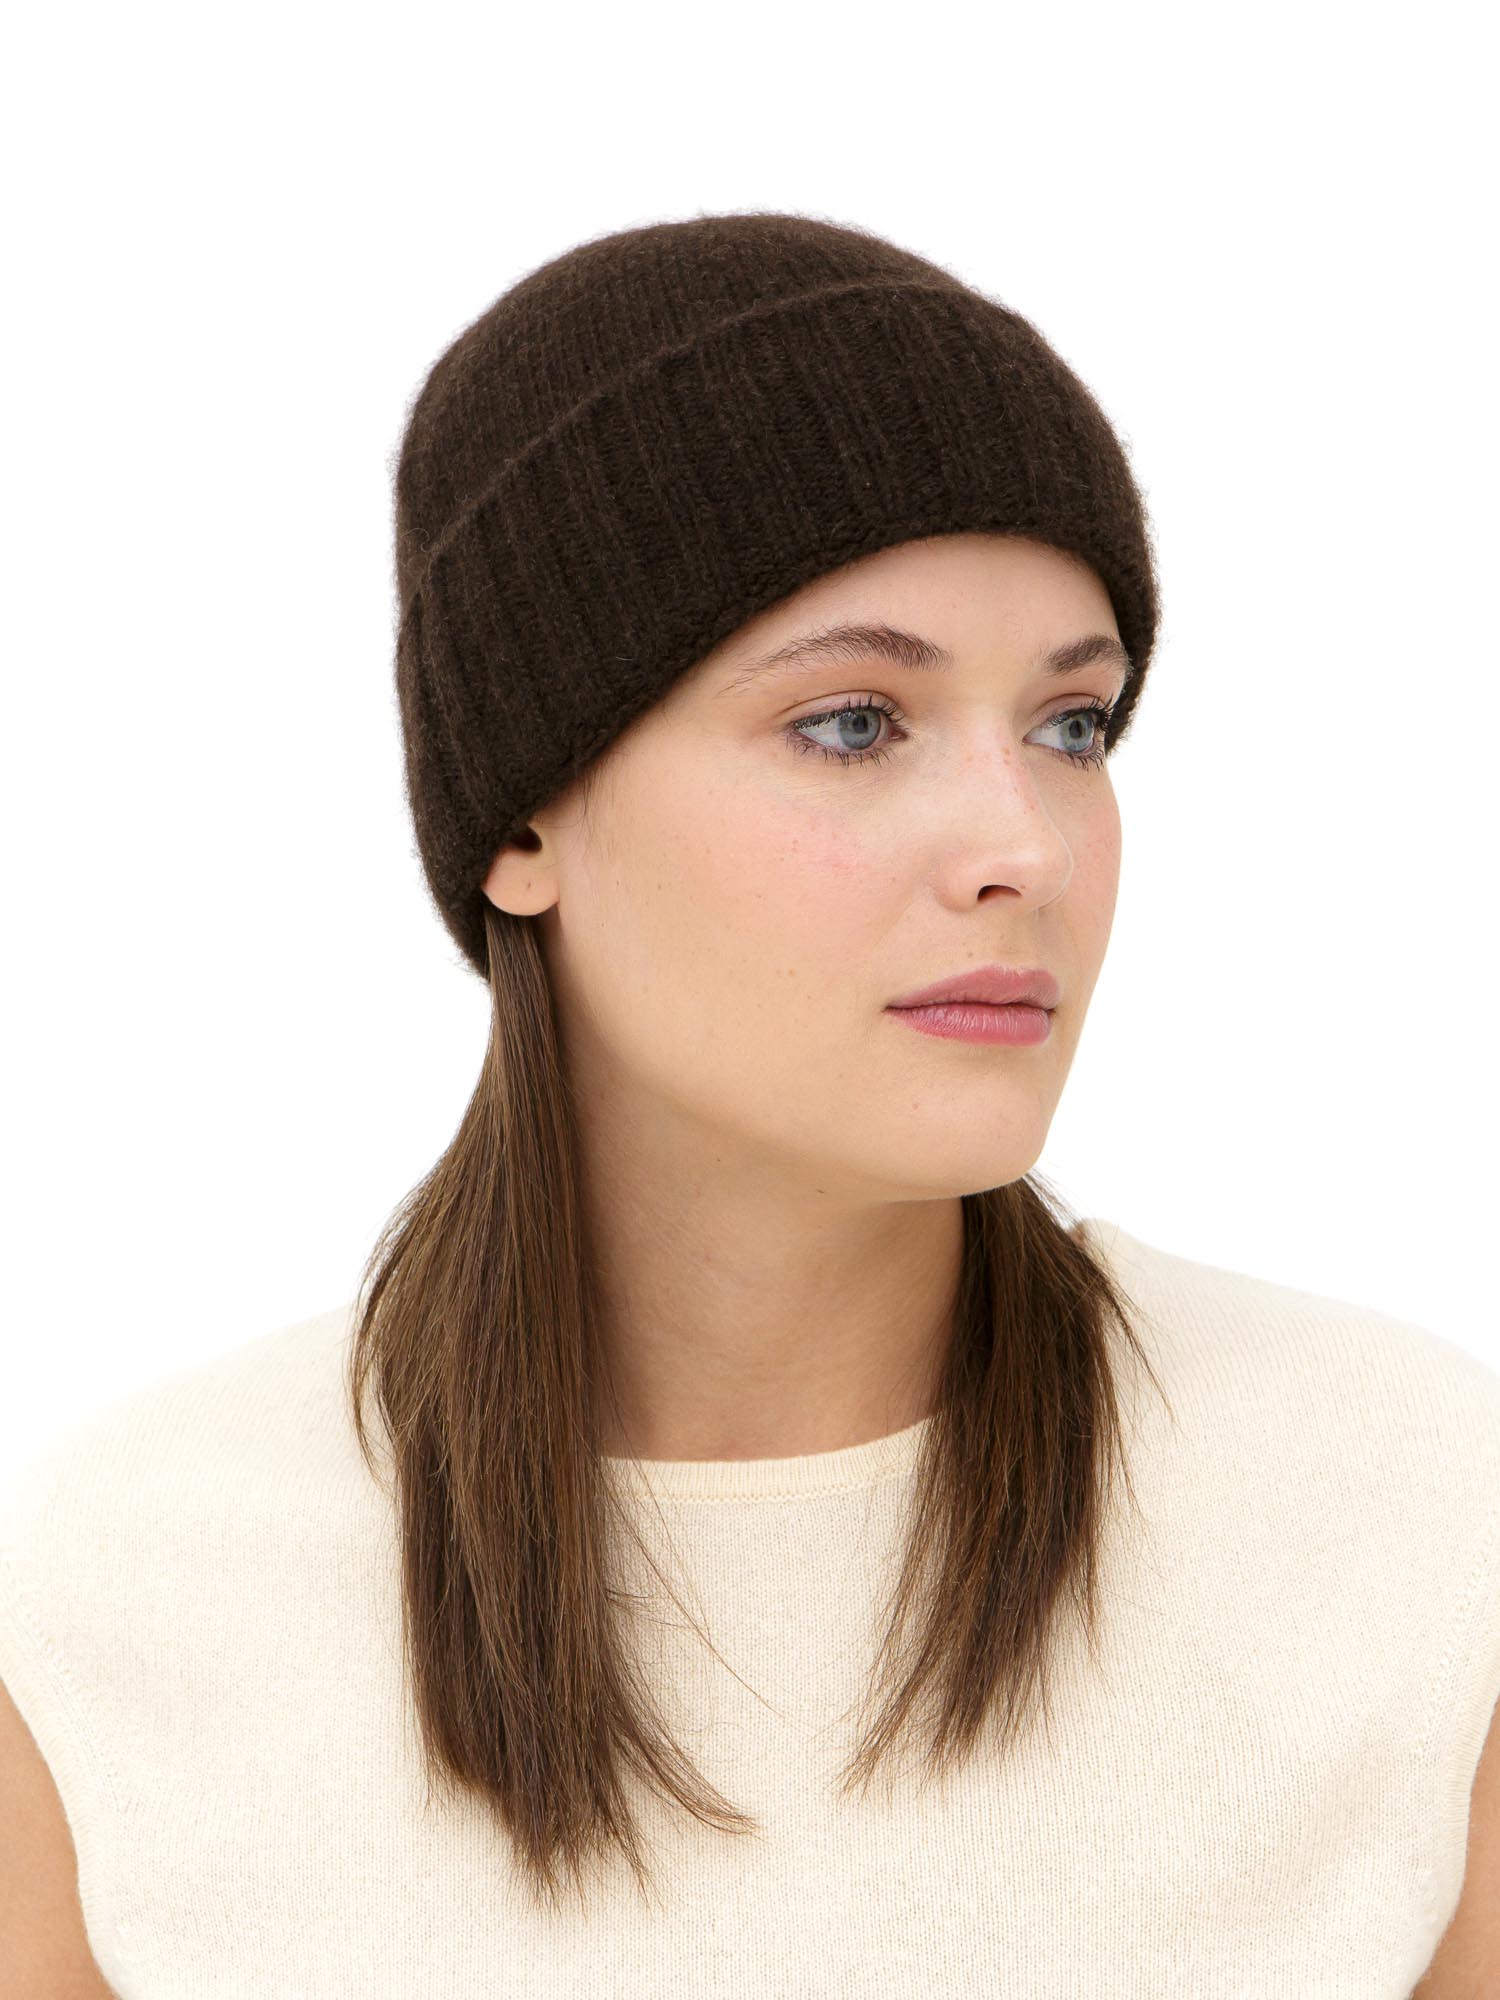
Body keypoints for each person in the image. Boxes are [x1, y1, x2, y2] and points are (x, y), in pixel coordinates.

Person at [2, 209, 1497, 1997]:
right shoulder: (127, 1596)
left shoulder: (1402, 1517)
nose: (1024, 847)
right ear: (523, 819)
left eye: (1074, 726)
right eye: (854, 722)